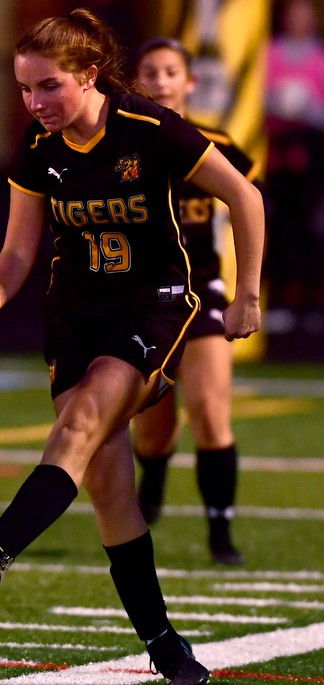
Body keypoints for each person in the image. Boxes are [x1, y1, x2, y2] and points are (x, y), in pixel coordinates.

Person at [0, 10, 263, 685]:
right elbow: (19, 247)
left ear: (90, 74)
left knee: (83, 421)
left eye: (48, 87)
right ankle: (168, 647)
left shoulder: (149, 128)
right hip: (74, 317)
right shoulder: (39, 147)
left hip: (154, 306)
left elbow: (245, 195)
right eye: (25, 90)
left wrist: (249, 295)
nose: (35, 104)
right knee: (109, 482)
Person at [132, 38, 259, 566]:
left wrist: (247, 291)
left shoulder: (216, 141)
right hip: (141, 297)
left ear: (189, 82)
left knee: (209, 410)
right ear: (135, 82)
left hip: (200, 290)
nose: (160, 81)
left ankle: (221, 533)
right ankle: (155, 473)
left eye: (170, 72)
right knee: (152, 425)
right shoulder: (123, 142)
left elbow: (252, 197)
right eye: (150, 72)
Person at [264, 0, 324, 310]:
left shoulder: (320, 56)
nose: (299, 19)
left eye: (305, 14)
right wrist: (276, 104)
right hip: (275, 157)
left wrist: (307, 109)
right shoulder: (268, 53)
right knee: (279, 229)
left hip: (312, 158)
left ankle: (310, 304)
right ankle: (279, 302)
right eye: (293, 13)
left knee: (311, 228)